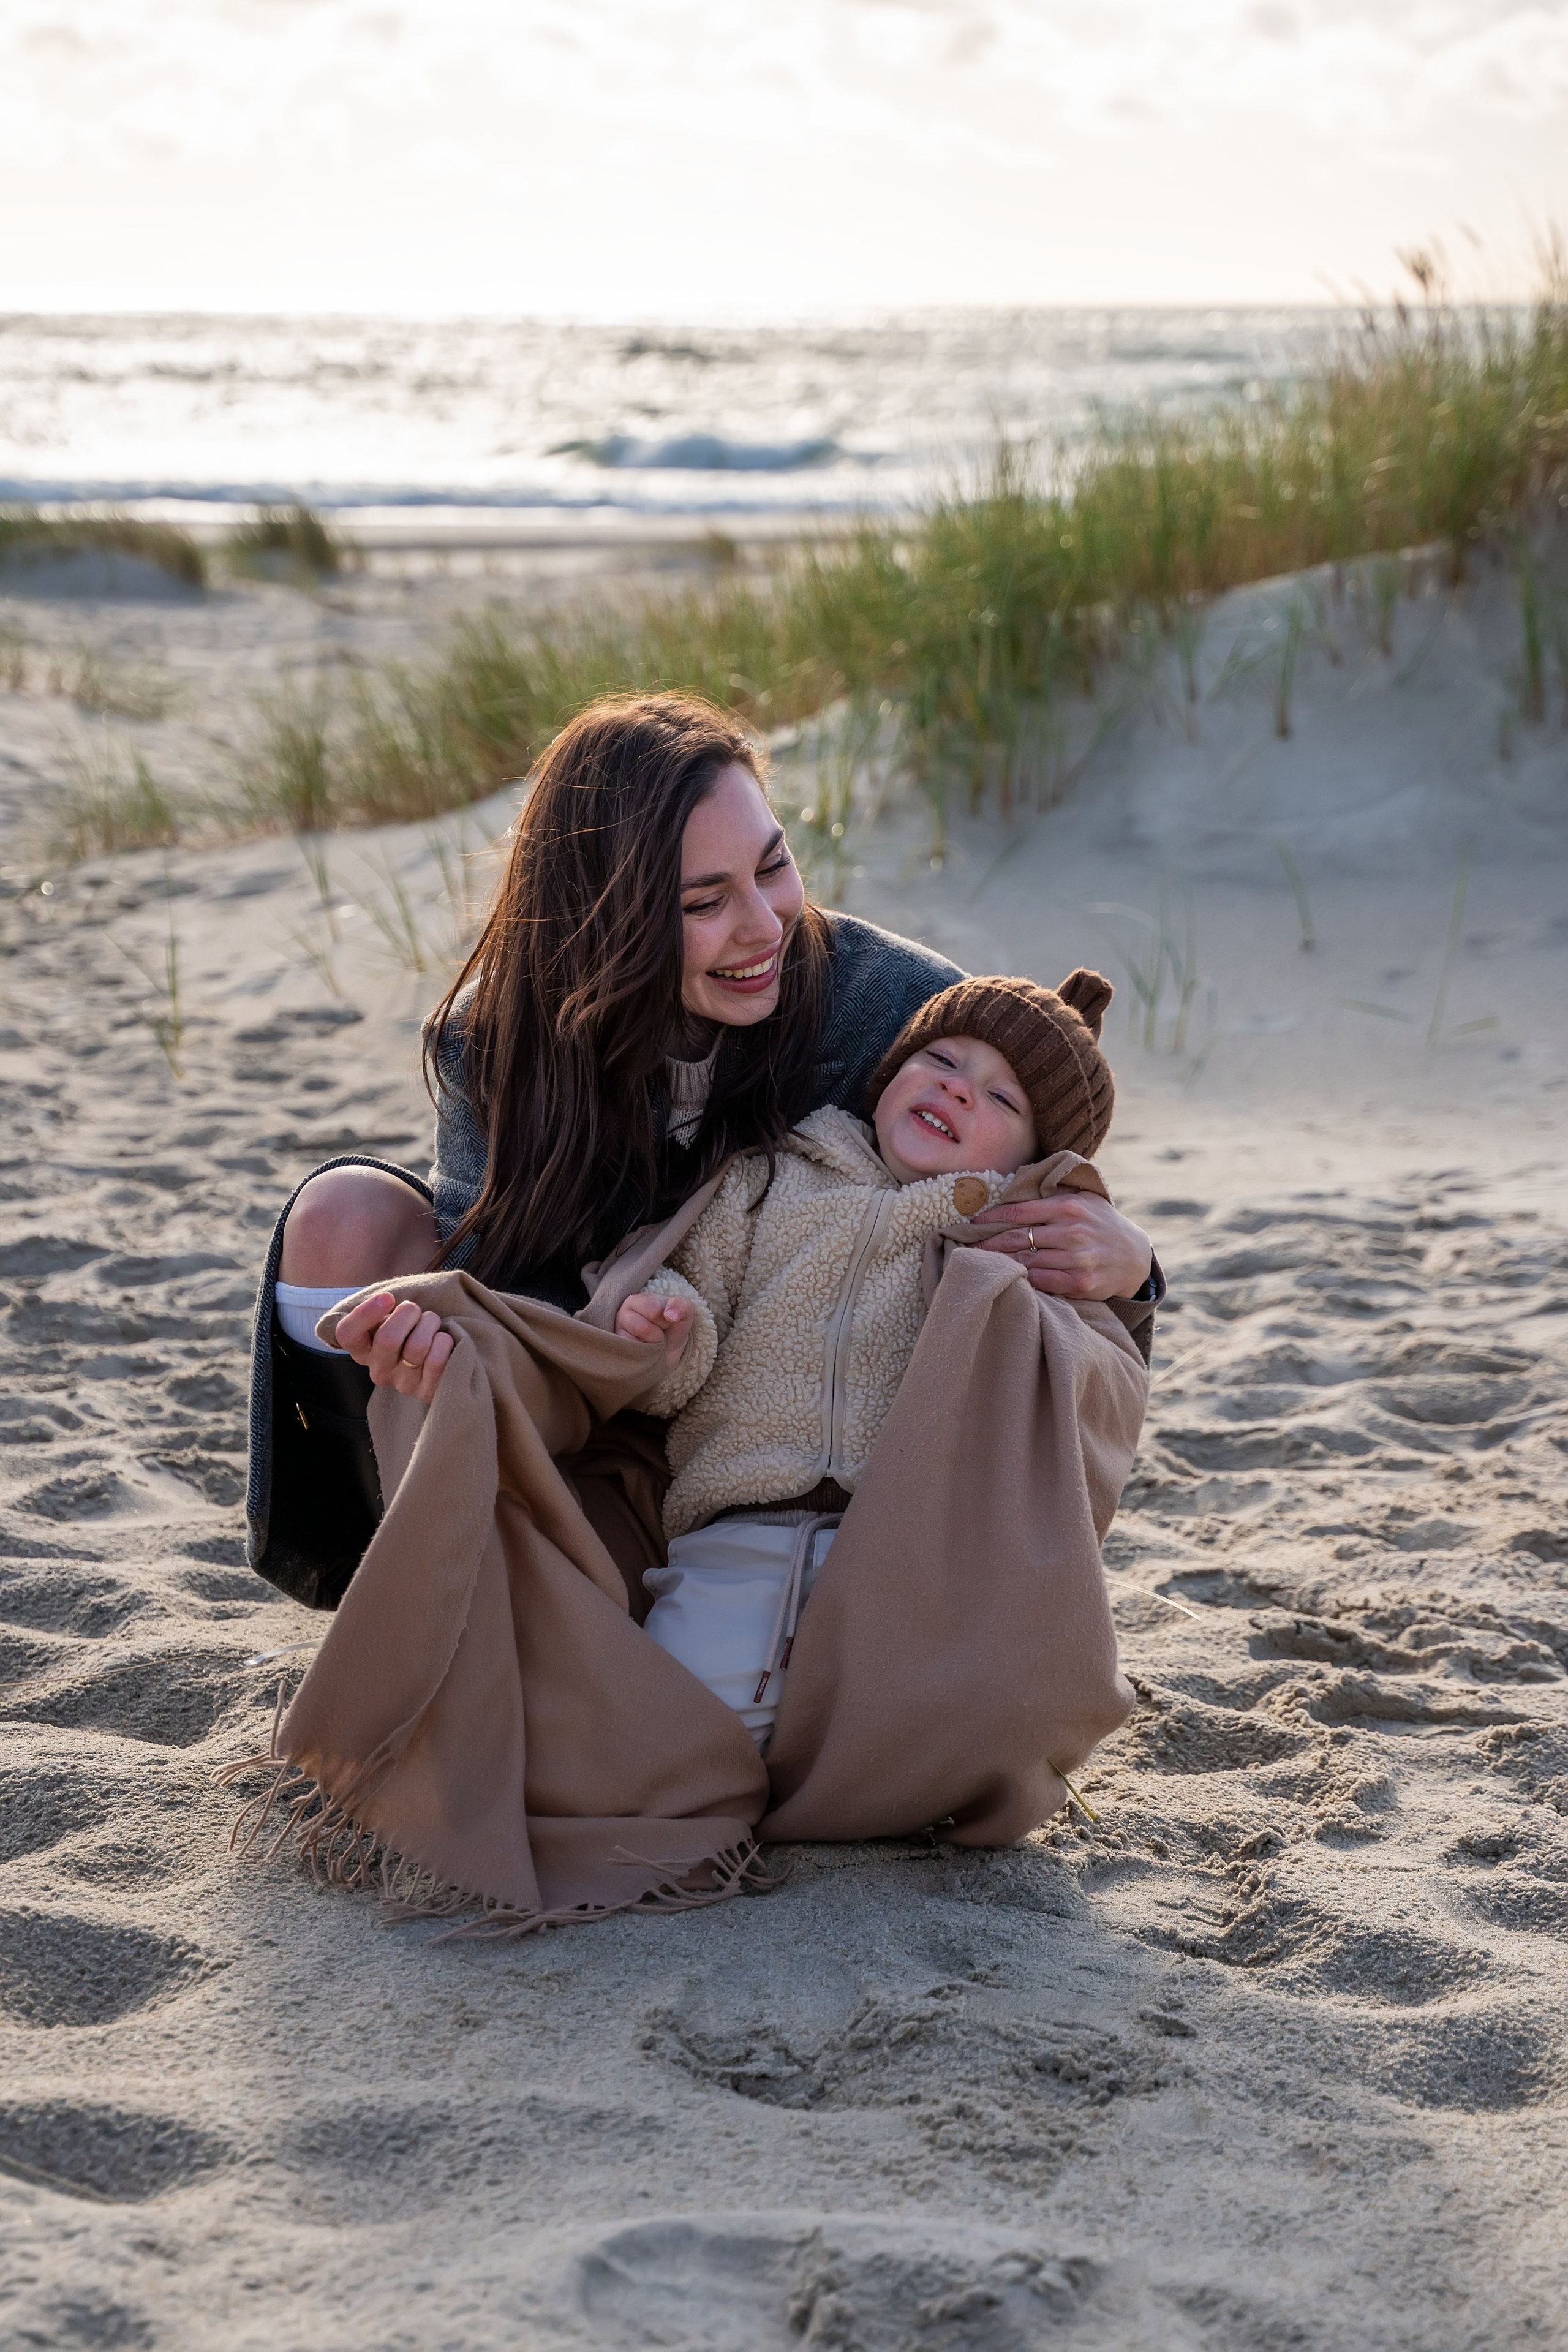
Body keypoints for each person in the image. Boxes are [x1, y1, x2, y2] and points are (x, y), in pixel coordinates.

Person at [246, 693, 1159, 1609]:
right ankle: (387, 1591)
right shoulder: (496, 1040)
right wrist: (440, 1347)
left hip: (808, 1450)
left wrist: (1131, 1267)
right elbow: (499, 1283)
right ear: (603, 916)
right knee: (344, 1219)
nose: (763, 925)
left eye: (773, 866)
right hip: (606, 1395)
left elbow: (1025, 1155)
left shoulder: (893, 1004)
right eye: (704, 901)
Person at [611, 968, 1121, 1746]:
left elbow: (1077, 1373)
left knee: (921, 1742)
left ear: (1031, 1155)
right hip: (739, 1530)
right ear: (887, 1076)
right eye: (944, 1061)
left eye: (1002, 1099)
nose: (957, 1091)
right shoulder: (769, 1177)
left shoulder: (1007, 1238)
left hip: (910, 1555)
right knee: (668, 1729)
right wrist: (665, 1330)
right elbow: (691, 1304)